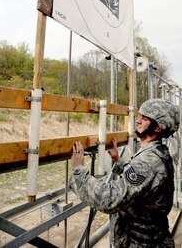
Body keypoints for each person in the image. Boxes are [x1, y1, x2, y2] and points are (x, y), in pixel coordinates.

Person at [69, 98, 180, 247]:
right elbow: (145, 183)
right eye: (140, 116)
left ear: (158, 127)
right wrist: (119, 163)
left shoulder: (147, 162)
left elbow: (109, 199)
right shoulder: (158, 153)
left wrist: (79, 172)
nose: (138, 121)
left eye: (145, 118)